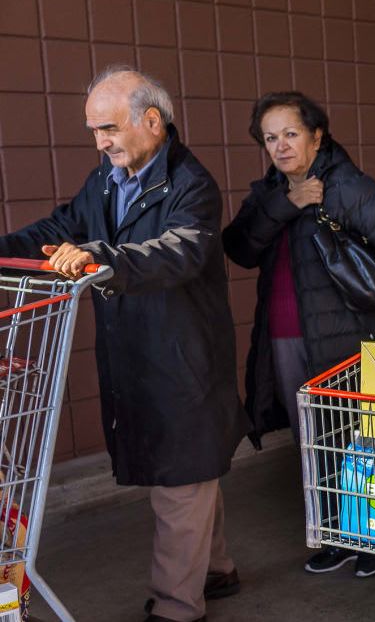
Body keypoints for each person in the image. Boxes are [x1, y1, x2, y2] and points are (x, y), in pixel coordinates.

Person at [0, 66, 243, 622]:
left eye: (107, 127)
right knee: (192, 469)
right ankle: (216, 569)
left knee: (181, 476)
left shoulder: (192, 184)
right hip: (135, 349)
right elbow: (56, 229)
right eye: (93, 130)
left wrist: (99, 257)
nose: (100, 141)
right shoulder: (104, 179)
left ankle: (178, 605)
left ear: (151, 122)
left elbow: (177, 251)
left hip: (183, 354)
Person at [222, 92, 375, 580]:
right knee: (313, 440)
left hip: (349, 335)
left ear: (317, 135)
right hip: (286, 337)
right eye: (270, 138)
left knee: (361, 439)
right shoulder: (272, 192)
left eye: (291, 134)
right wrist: (285, 205)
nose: (280, 146)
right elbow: (239, 247)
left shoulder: (346, 185)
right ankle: (336, 536)